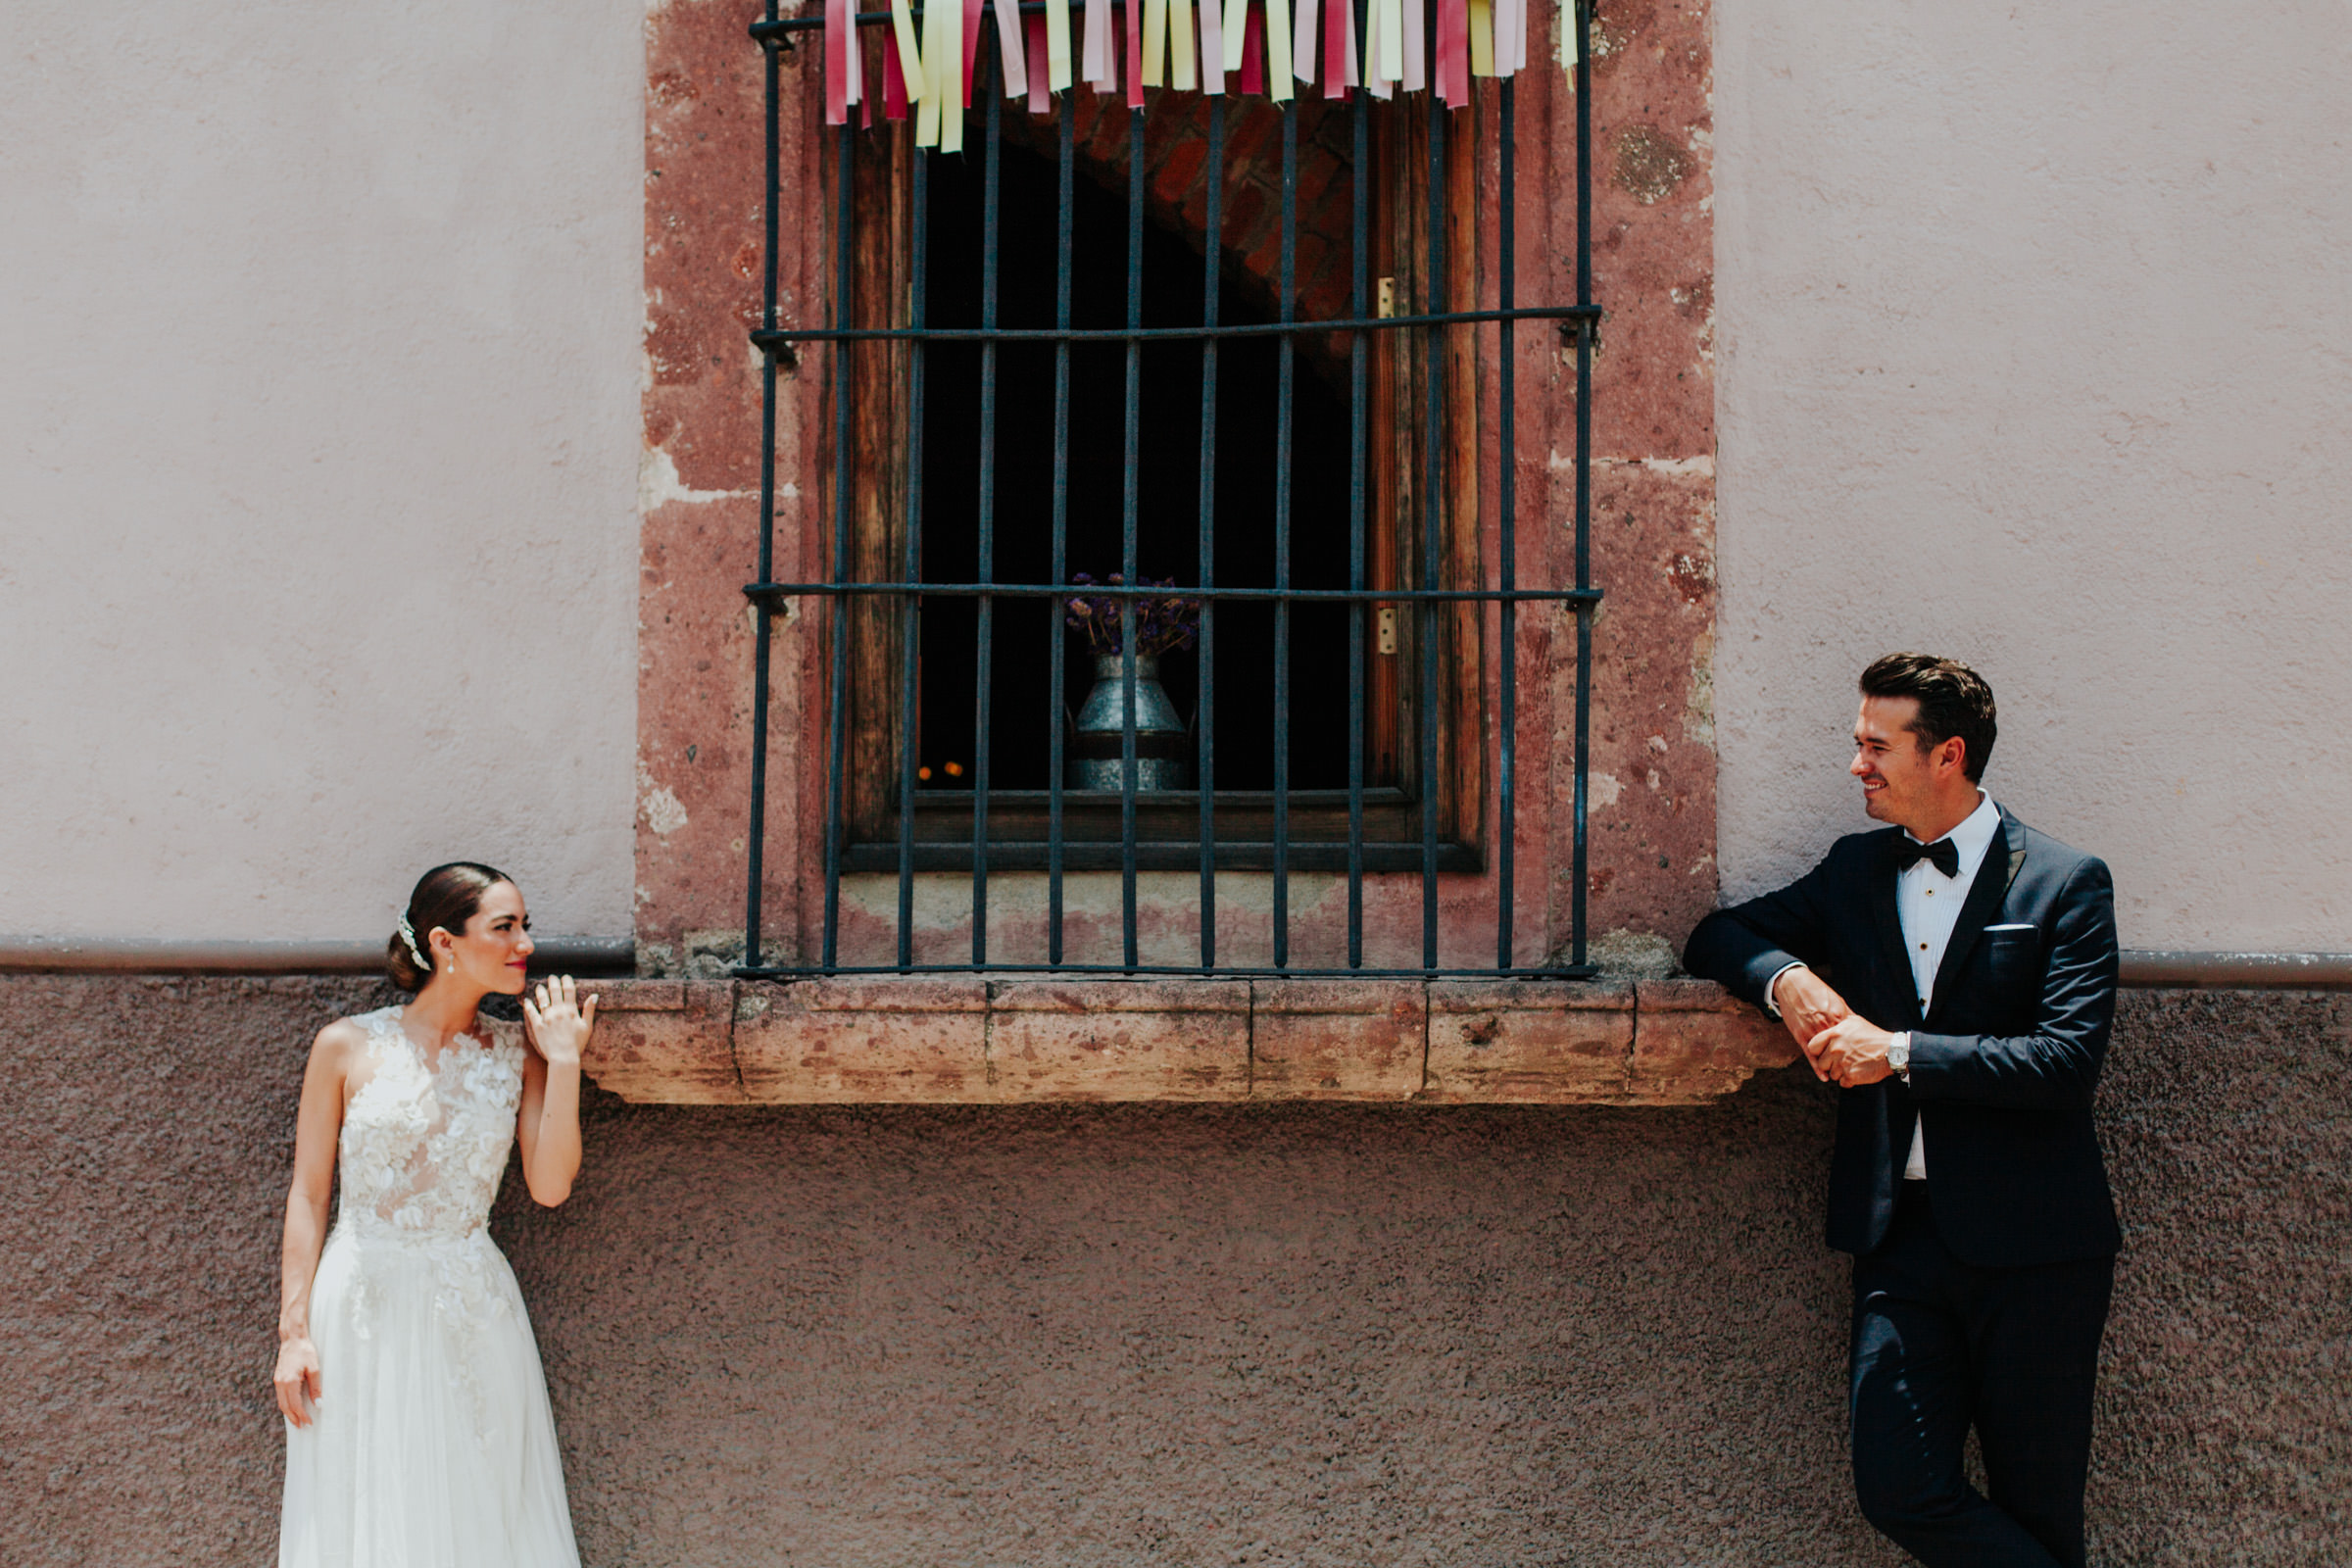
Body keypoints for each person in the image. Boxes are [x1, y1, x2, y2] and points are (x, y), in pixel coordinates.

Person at [1684, 654, 2121, 1568]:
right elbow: (1716, 934)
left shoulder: (2065, 882)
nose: (1858, 767)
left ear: (1947, 754)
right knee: (1897, 1487)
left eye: (1877, 746)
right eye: (1859, 744)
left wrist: (1896, 1052)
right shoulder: (1853, 870)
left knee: (2041, 1510)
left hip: (2039, 1247)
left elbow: (2064, 1062)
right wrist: (1788, 982)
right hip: (1901, 1243)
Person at [273, 861, 596, 1567]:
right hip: (360, 1301)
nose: (526, 946)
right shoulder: (345, 1046)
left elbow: (548, 1187)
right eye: (504, 928)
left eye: (526, 927)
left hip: (470, 1305)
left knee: (481, 1503)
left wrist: (565, 1059)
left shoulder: (521, 1052)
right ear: (445, 942)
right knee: (367, 1500)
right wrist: (293, 1332)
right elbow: (308, 1193)